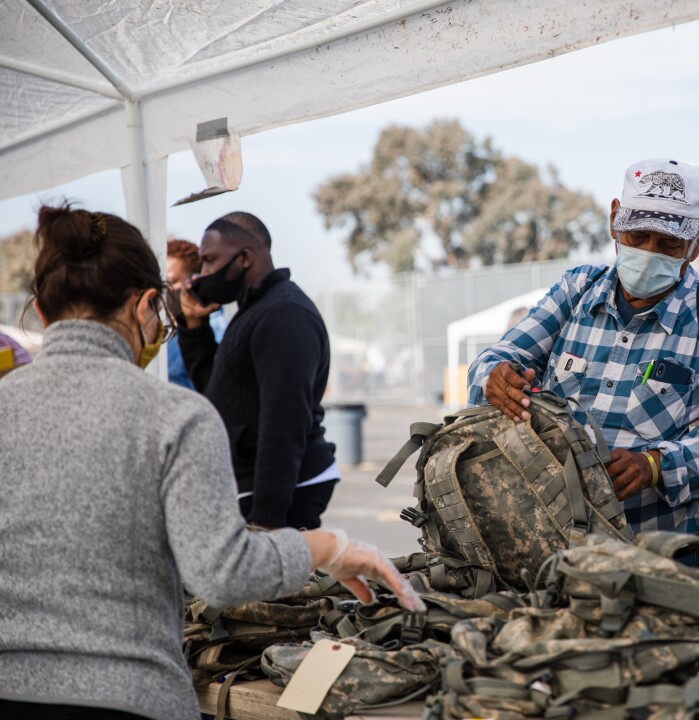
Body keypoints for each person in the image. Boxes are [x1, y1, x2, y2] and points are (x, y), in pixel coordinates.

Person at [0, 204, 423, 720]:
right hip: (131, 697)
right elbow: (223, 573)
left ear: (41, 313)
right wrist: (328, 547)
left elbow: (279, 428)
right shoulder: (173, 415)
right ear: (146, 305)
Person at [468, 158, 699, 562]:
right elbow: (499, 357)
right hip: (550, 543)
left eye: (669, 244)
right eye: (637, 235)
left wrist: (657, 466)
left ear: (697, 244)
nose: (649, 252)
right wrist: (494, 377)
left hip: (658, 552)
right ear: (615, 220)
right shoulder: (577, 289)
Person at [177, 212, 339, 530]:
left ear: (245, 258)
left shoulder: (283, 313)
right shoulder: (254, 310)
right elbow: (218, 392)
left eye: (209, 261)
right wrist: (194, 327)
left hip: (284, 493)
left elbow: (284, 421)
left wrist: (267, 517)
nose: (201, 274)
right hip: (251, 485)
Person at [164, 239, 226, 389]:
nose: (164, 289)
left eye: (172, 281)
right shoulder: (163, 328)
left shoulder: (216, 331)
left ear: (192, 284)